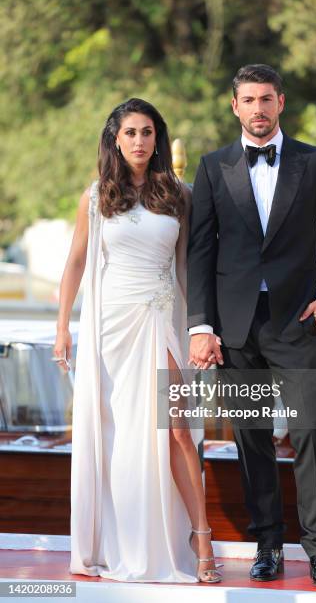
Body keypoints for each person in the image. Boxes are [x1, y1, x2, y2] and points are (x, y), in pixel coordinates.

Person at [187, 64, 316, 588]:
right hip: (236, 329)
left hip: (298, 323)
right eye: (248, 100)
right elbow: (200, 251)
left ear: (281, 102)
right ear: (234, 106)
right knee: (252, 440)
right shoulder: (213, 167)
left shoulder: (315, 161)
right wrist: (200, 325)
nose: (258, 109)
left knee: (312, 437)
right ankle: (267, 546)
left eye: (266, 99)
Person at [53, 98, 222, 583]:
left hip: (160, 321)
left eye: (147, 132)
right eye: (130, 132)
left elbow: (194, 268)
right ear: (115, 139)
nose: (140, 141)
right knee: (117, 436)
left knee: (177, 431)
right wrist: (63, 327)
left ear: (158, 137)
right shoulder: (96, 196)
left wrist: (202, 329)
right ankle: (118, 541)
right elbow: (76, 263)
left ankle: (201, 535)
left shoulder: (179, 194)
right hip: (109, 331)